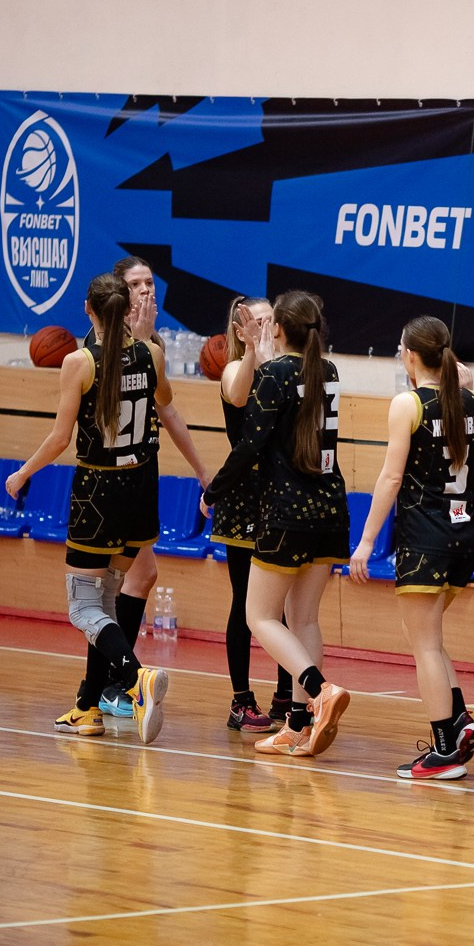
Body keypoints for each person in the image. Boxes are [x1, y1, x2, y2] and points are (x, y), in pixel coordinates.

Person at [8, 273, 170, 744]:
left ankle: (136, 677)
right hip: (141, 488)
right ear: (128, 310)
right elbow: (164, 401)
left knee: (83, 608)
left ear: (88, 309)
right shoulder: (152, 354)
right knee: (108, 603)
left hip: (98, 491)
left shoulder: (80, 362)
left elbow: (61, 438)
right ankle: (88, 708)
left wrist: (22, 473)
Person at [59, 255, 211, 728]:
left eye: (150, 283)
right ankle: (112, 685)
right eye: (137, 285)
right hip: (115, 480)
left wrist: (203, 471)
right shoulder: (99, 349)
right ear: (118, 297)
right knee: (124, 582)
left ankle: (104, 690)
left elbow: (168, 412)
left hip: (137, 478)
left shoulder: (150, 347)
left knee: (117, 588)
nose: (147, 291)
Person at [349, 316, 474, 780]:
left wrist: (367, 541)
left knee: (425, 646)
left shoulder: (408, 404)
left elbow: (391, 477)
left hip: (426, 539)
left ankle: (444, 749)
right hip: (465, 538)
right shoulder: (469, 399)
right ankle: (460, 720)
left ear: (411, 355)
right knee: (428, 638)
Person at [203, 291, 352, 757]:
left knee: (259, 616)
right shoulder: (327, 370)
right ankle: (299, 725)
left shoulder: (275, 374)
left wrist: (212, 492)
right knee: (304, 618)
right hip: (331, 508)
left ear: (281, 329)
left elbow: (249, 445)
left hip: (288, 510)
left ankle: (319, 689)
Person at [212, 295, 288, 734]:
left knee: (283, 603)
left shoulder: (286, 369)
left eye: (270, 320)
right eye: (256, 322)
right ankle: (241, 700)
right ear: (241, 331)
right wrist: (253, 353)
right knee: (245, 601)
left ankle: (285, 696)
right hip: (244, 494)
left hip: (281, 492)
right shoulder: (233, 370)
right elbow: (239, 396)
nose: (264, 327)